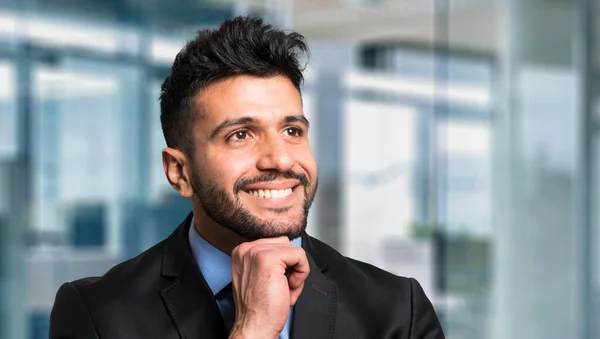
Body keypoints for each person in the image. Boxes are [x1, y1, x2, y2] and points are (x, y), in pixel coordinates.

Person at [49, 16, 445, 339]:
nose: (280, 159)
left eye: (292, 131)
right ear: (179, 172)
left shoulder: (395, 311)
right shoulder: (98, 314)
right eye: (240, 135)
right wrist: (251, 330)